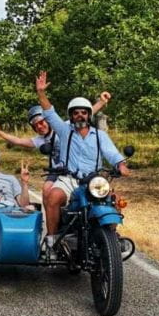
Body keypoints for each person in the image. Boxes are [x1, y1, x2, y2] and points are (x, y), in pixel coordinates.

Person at [34, 71, 128, 256]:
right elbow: (49, 112)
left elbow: (112, 153)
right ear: (71, 116)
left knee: (114, 202)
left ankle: (110, 236)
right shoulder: (64, 130)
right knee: (53, 197)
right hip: (69, 179)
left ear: (89, 115)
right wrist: (41, 93)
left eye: (83, 112)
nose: (80, 116)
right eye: (75, 113)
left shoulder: (100, 136)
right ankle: (52, 241)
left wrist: (121, 165)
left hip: (93, 181)